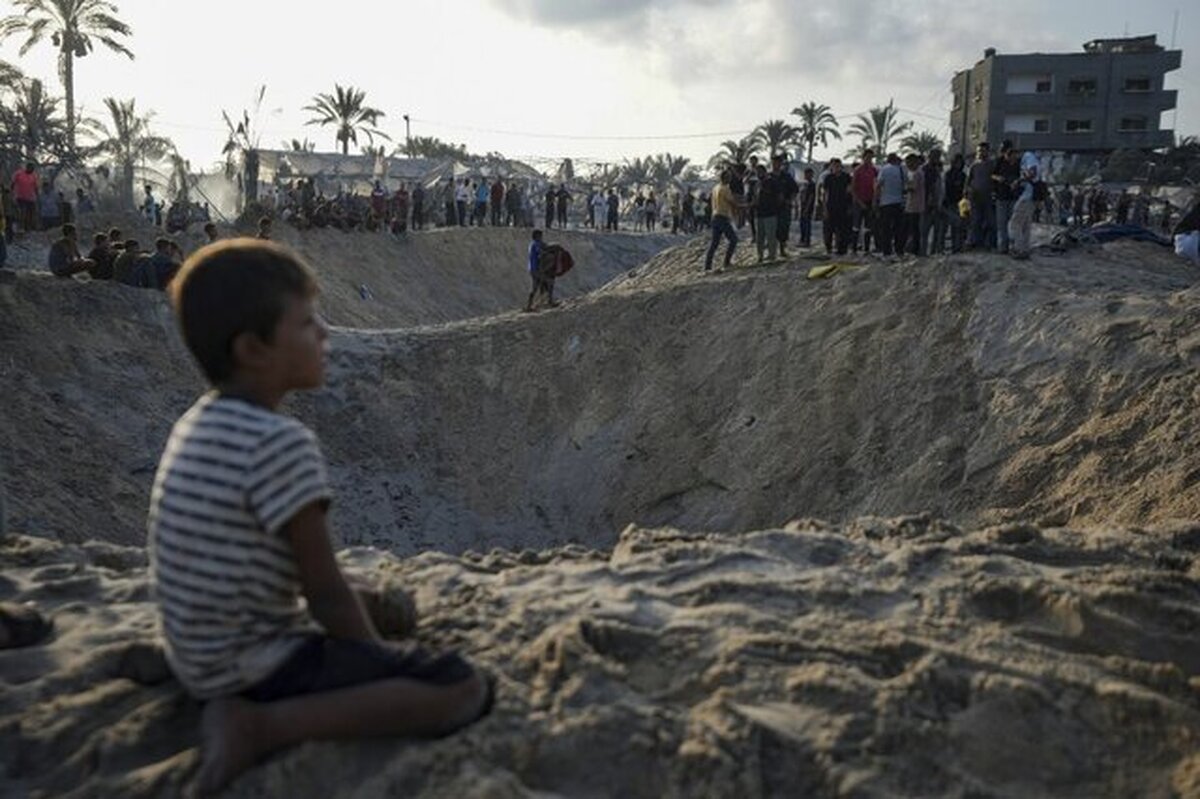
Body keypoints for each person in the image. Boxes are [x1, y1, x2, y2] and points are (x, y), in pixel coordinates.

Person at [150, 240, 491, 794]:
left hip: (195, 651)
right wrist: (379, 663)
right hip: (252, 666)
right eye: (308, 322)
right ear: (254, 349)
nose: (325, 334)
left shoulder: (196, 423)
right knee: (460, 687)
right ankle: (259, 728)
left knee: (377, 601)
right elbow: (324, 593)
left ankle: (241, 705)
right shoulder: (280, 443)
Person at [704, 169, 741, 272]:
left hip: (715, 217)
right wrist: (744, 206)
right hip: (722, 217)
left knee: (714, 243)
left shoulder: (716, 188)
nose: (730, 178)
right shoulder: (725, 189)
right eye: (729, 176)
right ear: (725, 177)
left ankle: (707, 266)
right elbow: (732, 202)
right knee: (733, 240)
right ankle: (727, 262)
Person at [820, 159, 853, 256]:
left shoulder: (846, 177)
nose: (836, 168)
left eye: (838, 166)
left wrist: (849, 206)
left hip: (843, 206)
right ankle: (828, 248)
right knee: (828, 229)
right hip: (831, 206)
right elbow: (825, 193)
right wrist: (825, 208)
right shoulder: (828, 178)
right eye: (834, 166)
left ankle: (841, 249)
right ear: (831, 167)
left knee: (842, 229)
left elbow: (849, 191)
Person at [875, 153, 906, 257]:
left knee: (886, 229)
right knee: (899, 229)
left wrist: (876, 200)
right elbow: (905, 186)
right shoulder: (901, 170)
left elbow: (878, 186)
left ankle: (886, 251)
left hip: (886, 203)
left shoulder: (884, 170)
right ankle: (899, 250)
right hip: (899, 203)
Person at [992, 144, 1020, 253]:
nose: (1012, 159)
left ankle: (1012, 246)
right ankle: (1002, 247)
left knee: (1012, 223)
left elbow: (1021, 176)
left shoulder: (1017, 164)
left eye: (1014, 156)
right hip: (1001, 196)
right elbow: (992, 175)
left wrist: (1016, 182)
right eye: (1010, 156)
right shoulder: (999, 161)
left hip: (1013, 197)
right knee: (1001, 223)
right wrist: (999, 178)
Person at [1009, 154, 1037, 260]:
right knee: (1025, 225)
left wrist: (1018, 182)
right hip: (1030, 198)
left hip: (1026, 197)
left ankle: (1019, 249)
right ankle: (1024, 250)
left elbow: (1032, 173)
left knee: (1014, 224)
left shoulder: (1028, 156)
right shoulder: (1030, 158)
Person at [967, 142, 994, 249]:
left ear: (988, 151)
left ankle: (988, 243)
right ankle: (973, 242)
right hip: (975, 197)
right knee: (975, 221)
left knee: (990, 222)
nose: (981, 153)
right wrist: (967, 193)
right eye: (979, 151)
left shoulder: (992, 164)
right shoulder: (974, 165)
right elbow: (969, 181)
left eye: (983, 151)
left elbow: (995, 178)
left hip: (988, 197)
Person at [524, 228, 558, 311]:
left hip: (532, 268)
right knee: (550, 282)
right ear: (537, 236)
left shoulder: (532, 244)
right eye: (540, 236)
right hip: (536, 269)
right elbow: (541, 253)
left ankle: (529, 306)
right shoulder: (536, 244)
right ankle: (550, 302)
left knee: (535, 287)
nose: (541, 237)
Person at [851, 150, 878, 253]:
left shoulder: (874, 170)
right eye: (868, 157)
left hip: (870, 201)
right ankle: (854, 248)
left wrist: (874, 200)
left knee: (868, 227)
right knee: (856, 226)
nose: (869, 160)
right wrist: (859, 202)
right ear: (863, 158)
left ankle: (866, 249)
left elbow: (876, 186)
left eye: (871, 158)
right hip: (859, 201)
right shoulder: (857, 170)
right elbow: (853, 189)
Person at [752, 163, 780, 262]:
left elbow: (778, 196)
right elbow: (755, 198)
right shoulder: (756, 184)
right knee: (760, 237)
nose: (758, 174)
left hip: (771, 213)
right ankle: (760, 256)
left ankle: (772, 255)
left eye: (760, 172)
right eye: (757, 172)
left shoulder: (772, 182)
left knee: (771, 236)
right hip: (759, 214)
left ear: (764, 172)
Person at [773, 155, 798, 258]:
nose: (776, 165)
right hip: (772, 207)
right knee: (773, 229)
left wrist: (789, 200)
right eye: (774, 163)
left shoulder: (786, 177)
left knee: (784, 228)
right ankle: (773, 250)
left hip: (784, 207)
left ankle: (782, 249)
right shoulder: (769, 176)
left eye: (778, 163)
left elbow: (795, 190)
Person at [902, 154, 926, 256]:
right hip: (913, 204)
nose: (907, 165)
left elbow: (912, 188)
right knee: (913, 229)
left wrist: (905, 186)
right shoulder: (915, 173)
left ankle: (915, 250)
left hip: (915, 206)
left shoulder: (917, 174)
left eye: (909, 163)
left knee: (914, 229)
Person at [944, 154, 966, 253]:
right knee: (955, 225)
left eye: (960, 162)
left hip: (962, 203)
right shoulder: (948, 174)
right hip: (952, 202)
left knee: (961, 225)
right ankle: (955, 246)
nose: (958, 164)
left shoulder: (963, 175)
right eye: (956, 162)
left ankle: (959, 246)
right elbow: (947, 189)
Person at [12, 162, 38, 233]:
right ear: (27, 167)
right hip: (20, 197)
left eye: (33, 168)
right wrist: (12, 193)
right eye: (30, 168)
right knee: (22, 212)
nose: (32, 170)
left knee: (30, 213)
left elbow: (35, 187)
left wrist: (37, 196)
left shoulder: (34, 176)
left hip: (30, 198)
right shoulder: (19, 173)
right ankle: (21, 227)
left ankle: (28, 228)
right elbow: (13, 183)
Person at [798, 168, 816, 248]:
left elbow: (811, 197)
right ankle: (802, 239)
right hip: (802, 205)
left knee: (807, 224)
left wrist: (807, 208)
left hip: (807, 207)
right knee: (802, 223)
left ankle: (806, 240)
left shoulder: (812, 184)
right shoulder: (805, 184)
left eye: (808, 174)